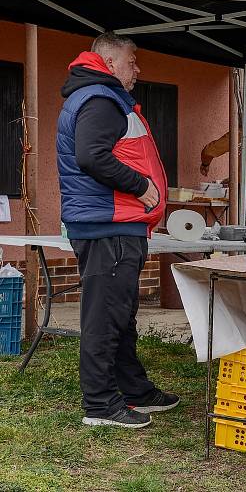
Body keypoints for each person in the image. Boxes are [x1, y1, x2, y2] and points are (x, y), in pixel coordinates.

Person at [57, 32, 179, 428]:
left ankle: (134, 389)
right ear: (109, 62)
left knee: (120, 314)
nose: (137, 68)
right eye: (132, 60)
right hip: (108, 224)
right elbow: (91, 155)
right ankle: (100, 405)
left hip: (114, 224)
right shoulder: (99, 98)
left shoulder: (100, 96)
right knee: (104, 316)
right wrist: (143, 187)